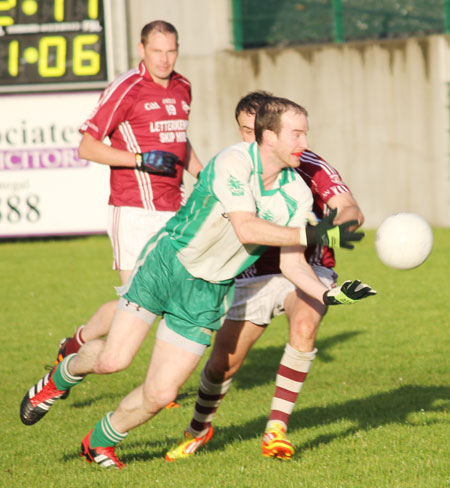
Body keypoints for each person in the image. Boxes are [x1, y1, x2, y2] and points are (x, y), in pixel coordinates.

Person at [20, 96, 375, 470]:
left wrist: (330, 294)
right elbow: (247, 226)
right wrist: (313, 233)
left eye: (305, 133)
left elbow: (292, 263)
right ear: (269, 136)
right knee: (113, 360)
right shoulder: (233, 161)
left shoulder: (297, 193)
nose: (304, 142)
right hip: (169, 266)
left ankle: (98, 443)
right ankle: (60, 378)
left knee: (160, 394)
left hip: (209, 291)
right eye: (297, 134)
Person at [164, 91, 365, 461]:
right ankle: (198, 429)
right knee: (225, 361)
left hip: (304, 266)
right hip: (250, 273)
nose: (249, 138)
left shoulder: (306, 164)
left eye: (255, 129)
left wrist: (338, 227)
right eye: (244, 130)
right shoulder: (233, 167)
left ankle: (276, 430)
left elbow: (348, 208)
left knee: (305, 325)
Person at [53, 20, 203, 381]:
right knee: (133, 304)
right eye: (157, 51)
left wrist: (207, 177)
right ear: (141, 50)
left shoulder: (183, 86)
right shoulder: (127, 88)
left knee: (175, 299)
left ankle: (159, 383)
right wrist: (139, 160)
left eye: (171, 51)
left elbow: (181, 143)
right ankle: (77, 345)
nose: (165, 59)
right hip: (133, 209)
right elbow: (87, 147)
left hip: (174, 209)